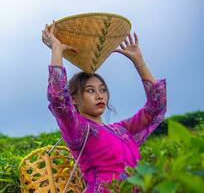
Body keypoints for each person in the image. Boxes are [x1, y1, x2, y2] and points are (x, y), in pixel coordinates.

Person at [41, 20, 167, 193]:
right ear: (75, 99)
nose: (99, 95)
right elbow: (58, 100)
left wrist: (139, 61)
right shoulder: (79, 129)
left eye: (102, 90)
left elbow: (156, 107)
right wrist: (56, 49)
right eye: (90, 90)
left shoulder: (123, 130)